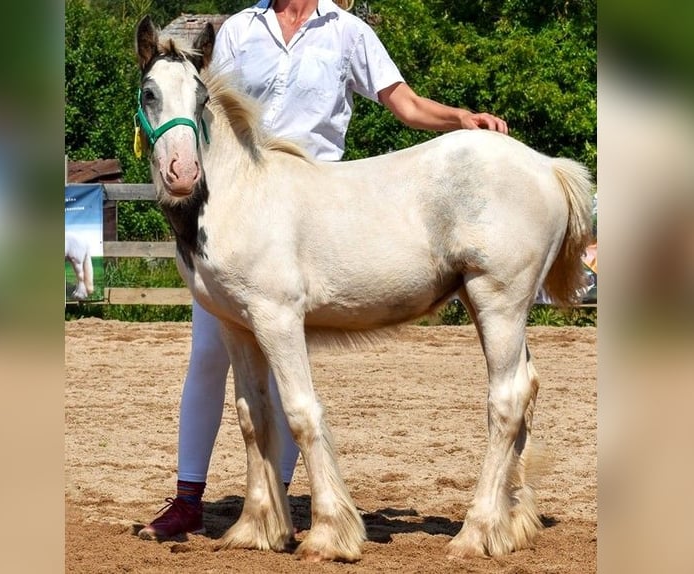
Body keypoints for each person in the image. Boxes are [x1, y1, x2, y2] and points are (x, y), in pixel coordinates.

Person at [139, 0, 507, 540]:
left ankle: (275, 501)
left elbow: (401, 102)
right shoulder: (239, 28)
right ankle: (190, 497)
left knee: (286, 364)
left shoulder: (347, 31)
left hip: (317, 200)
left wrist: (459, 118)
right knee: (209, 356)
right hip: (239, 198)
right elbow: (195, 100)